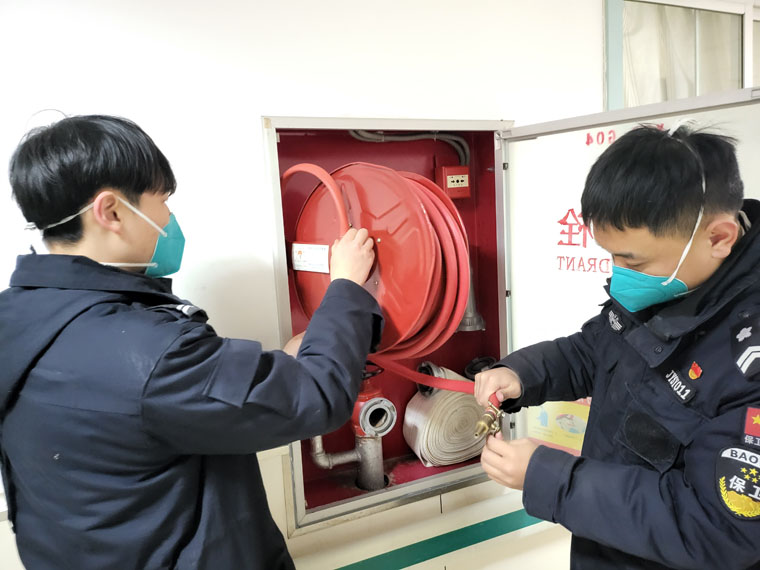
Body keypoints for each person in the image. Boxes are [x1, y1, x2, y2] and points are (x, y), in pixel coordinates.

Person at [0, 115, 383, 569]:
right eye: (162, 200)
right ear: (111, 211)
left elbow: (139, 413)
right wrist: (347, 287)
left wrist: (283, 367)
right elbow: (318, 397)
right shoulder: (149, 353)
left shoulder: (15, 318)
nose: (168, 218)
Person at [474, 123, 760, 569]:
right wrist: (521, 374)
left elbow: (717, 528)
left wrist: (550, 479)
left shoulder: (748, 360)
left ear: (718, 238)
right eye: (611, 255)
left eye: (632, 261)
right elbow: (595, 350)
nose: (619, 273)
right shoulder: (674, 282)